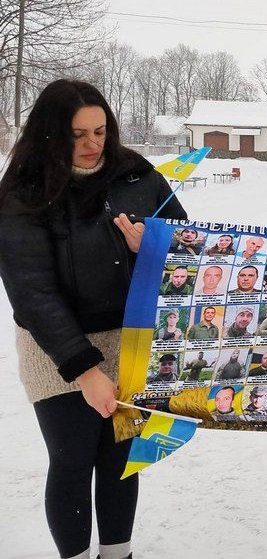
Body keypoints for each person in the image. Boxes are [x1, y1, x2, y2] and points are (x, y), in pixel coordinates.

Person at [0, 79, 187, 559]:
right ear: (49, 135)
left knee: (121, 459)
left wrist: (153, 248)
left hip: (129, 338)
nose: (92, 145)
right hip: (55, 345)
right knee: (71, 460)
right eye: (77, 134)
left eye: (100, 131)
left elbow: (191, 247)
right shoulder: (24, 192)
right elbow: (33, 293)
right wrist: (84, 371)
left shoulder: (137, 174)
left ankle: (118, 554)